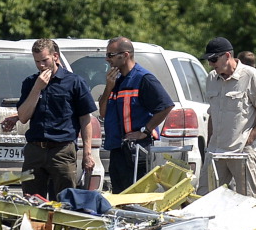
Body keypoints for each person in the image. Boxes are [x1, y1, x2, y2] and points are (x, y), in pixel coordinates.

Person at [17, 38, 96, 200]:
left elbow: (85, 119)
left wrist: (87, 152)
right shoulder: (30, 82)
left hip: (62, 150)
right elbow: (23, 117)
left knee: (65, 200)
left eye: (44, 60)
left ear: (55, 56)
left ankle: (62, 226)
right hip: (35, 150)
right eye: (37, 62)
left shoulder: (74, 82)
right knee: (31, 200)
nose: (41, 65)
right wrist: (37, 88)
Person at [196, 37, 256, 198]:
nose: (211, 64)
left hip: (242, 152)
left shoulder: (251, 76)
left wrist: (249, 139)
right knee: (204, 198)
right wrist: (210, 143)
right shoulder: (212, 78)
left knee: (246, 201)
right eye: (208, 60)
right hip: (216, 152)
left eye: (213, 59)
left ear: (227, 56)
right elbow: (213, 113)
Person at [98, 36, 174, 194]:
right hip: (117, 149)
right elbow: (103, 112)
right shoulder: (115, 81)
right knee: (119, 196)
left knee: (136, 196)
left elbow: (166, 106)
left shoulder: (143, 79)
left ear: (125, 55)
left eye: (110, 55)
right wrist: (108, 87)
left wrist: (145, 131)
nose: (107, 59)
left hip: (136, 151)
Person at [238, 50, 256, 195]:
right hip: (254, 132)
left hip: (252, 133)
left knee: (254, 169)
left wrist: (251, 135)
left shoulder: (254, 78)